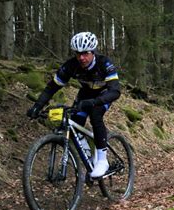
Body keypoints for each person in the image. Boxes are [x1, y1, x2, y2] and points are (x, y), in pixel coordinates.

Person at [26, 32, 121, 178]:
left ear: (93, 52)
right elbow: (52, 87)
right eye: (78, 54)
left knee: (95, 114)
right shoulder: (71, 66)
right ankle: (89, 157)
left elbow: (115, 91)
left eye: (85, 53)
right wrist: (38, 106)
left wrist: (95, 102)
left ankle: (102, 161)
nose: (81, 58)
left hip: (104, 95)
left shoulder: (104, 63)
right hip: (85, 95)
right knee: (75, 123)